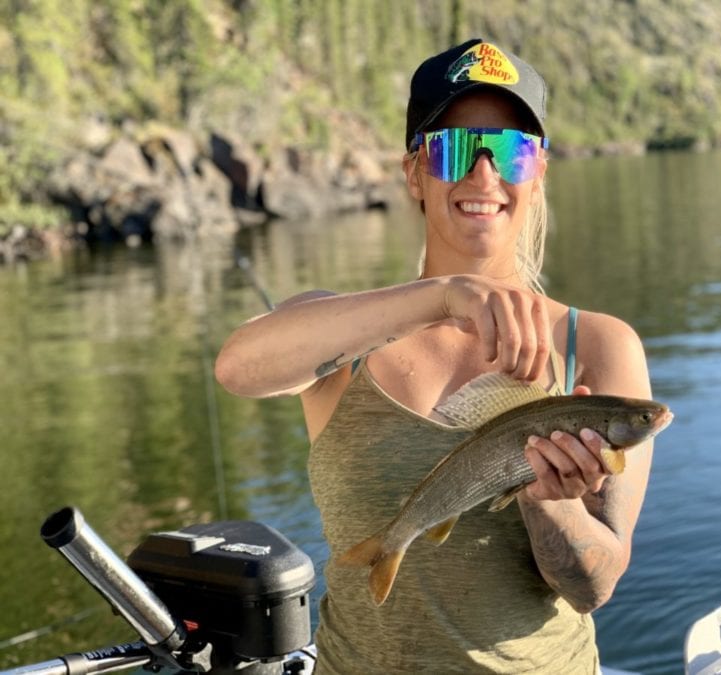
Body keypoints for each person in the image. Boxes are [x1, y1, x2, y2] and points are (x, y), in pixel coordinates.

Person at [216, 38, 655, 675]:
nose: (484, 175)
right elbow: (237, 369)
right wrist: (441, 297)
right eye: (453, 149)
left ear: (537, 173)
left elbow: (594, 587)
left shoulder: (597, 346)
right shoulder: (340, 334)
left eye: (510, 150)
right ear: (415, 173)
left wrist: (549, 501)